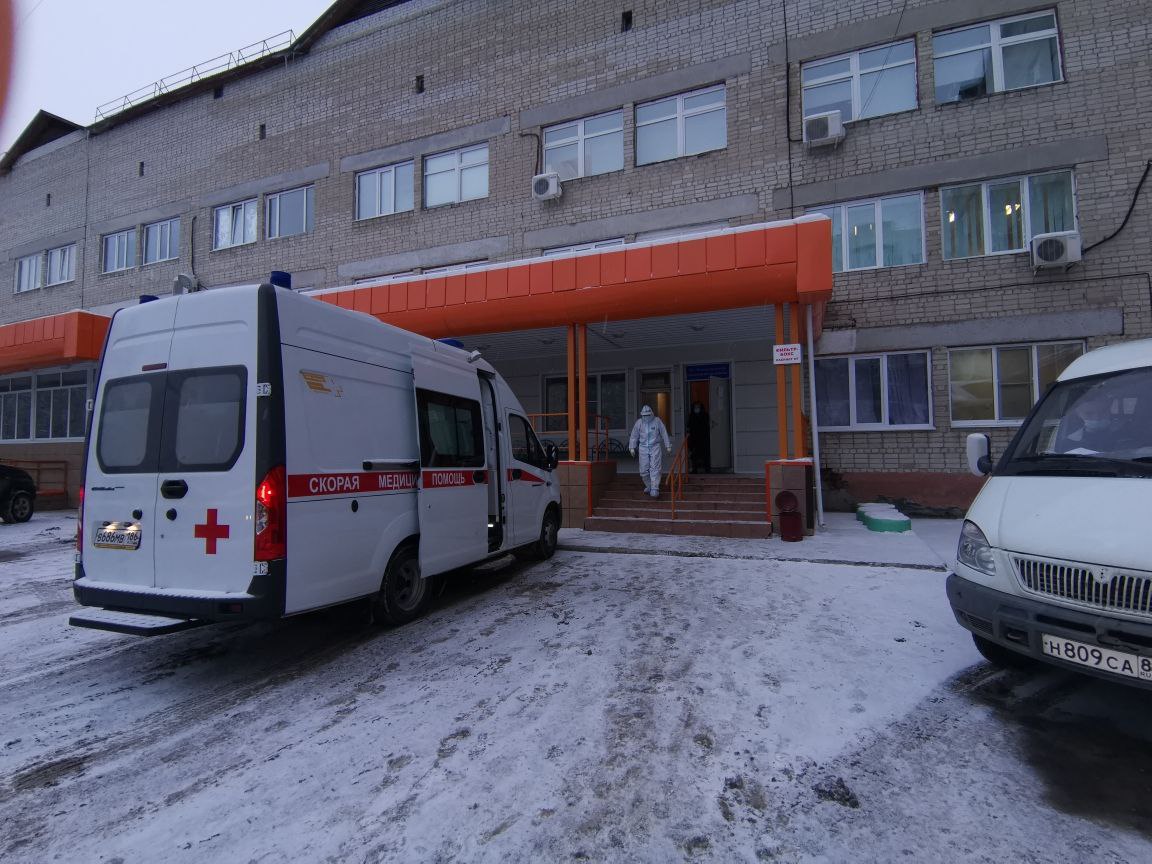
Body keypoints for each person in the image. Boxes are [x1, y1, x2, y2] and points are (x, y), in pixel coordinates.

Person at [629, 405, 671, 498]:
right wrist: (632, 447)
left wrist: (667, 445)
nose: (646, 417)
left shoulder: (657, 421)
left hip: (655, 447)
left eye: (648, 415)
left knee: (655, 467)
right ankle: (649, 485)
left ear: (651, 413)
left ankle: (655, 488)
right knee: (643, 469)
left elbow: (664, 433)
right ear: (642, 415)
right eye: (644, 415)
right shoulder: (639, 423)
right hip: (643, 448)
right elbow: (634, 435)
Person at [686, 401, 711, 473]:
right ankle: (694, 469)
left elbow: (707, 426)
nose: (697, 409)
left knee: (705, 454)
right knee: (694, 455)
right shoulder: (692, 416)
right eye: (695, 407)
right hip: (694, 439)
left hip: (703, 438)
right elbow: (689, 426)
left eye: (698, 407)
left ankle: (707, 469)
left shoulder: (705, 415)